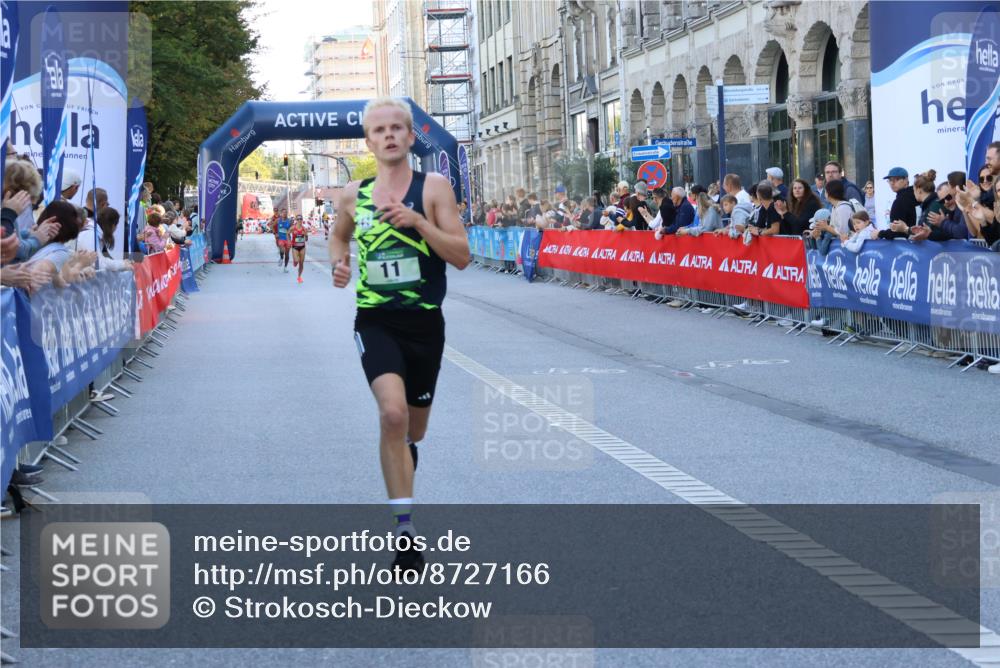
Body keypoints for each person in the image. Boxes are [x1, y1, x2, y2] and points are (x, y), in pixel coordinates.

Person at [330, 97, 470, 574]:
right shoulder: (353, 194)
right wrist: (339, 263)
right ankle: (405, 533)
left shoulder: (433, 187)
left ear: (411, 137)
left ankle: (403, 457)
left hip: (425, 323)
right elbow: (338, 235)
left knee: (413, 430)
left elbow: (461, 255)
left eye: (397, 128)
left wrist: (418, 222)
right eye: (379, 130)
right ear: (368, 142)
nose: (389, 136)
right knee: (391, 415)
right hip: (376, 319)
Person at [290, 216, 309, 283]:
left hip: (302, 247)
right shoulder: (293, 228)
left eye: (301, 219)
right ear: (296, 220)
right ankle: (295, 262)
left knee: (301, 263)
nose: (299, 220)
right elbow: (287, 233)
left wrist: (305, 235)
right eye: (298, 219)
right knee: (296, 261)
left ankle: (299, 277)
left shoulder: (304, 229)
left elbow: (306, 239)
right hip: (295, 247)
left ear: (302, 220)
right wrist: (289, 241)